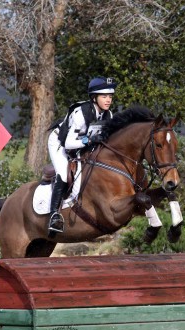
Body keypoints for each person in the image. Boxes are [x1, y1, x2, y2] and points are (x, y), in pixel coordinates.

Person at [47, 76, 117, 233]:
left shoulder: (108, 115)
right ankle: (54, 216)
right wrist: (90, 140)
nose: (108, 100)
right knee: (64, 175)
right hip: (60, 142)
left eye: (110, 96)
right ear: (94, 98)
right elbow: (68, 143)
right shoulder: (81, 113)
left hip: (80, 144)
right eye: (104, 96)